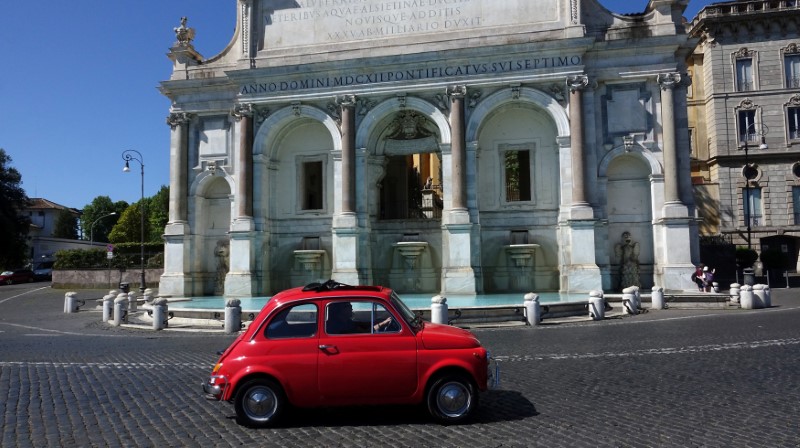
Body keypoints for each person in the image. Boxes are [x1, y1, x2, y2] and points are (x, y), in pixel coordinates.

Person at [326, 302, 392, 334]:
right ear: (341, 310)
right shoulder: (342, 325)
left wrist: (377, 321)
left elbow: (360, 324)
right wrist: (382, 324)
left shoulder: (345, 321)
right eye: (348, 306)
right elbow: (366, 333)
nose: (351, 308)